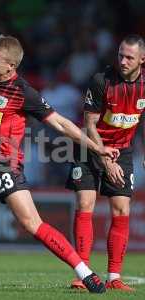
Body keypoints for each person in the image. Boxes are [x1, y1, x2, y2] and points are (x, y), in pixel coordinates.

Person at [0, 35, 119, 293]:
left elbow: (60, 123)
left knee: (32, 224)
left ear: (10, 67)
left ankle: (85, 273)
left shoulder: (23, 92)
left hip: (4, 167)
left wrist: (97, 148)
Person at [66, 34, 145, 292]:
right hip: (91, 147)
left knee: (121, 209)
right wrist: (103, 157)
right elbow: (89, 125)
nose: (123, 60)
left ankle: (114, 277)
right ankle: (83, 273)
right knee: (85, 202)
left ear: (142, 60)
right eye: (120, 54)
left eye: (129, 57)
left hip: (122, 150)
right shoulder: (101, 81)